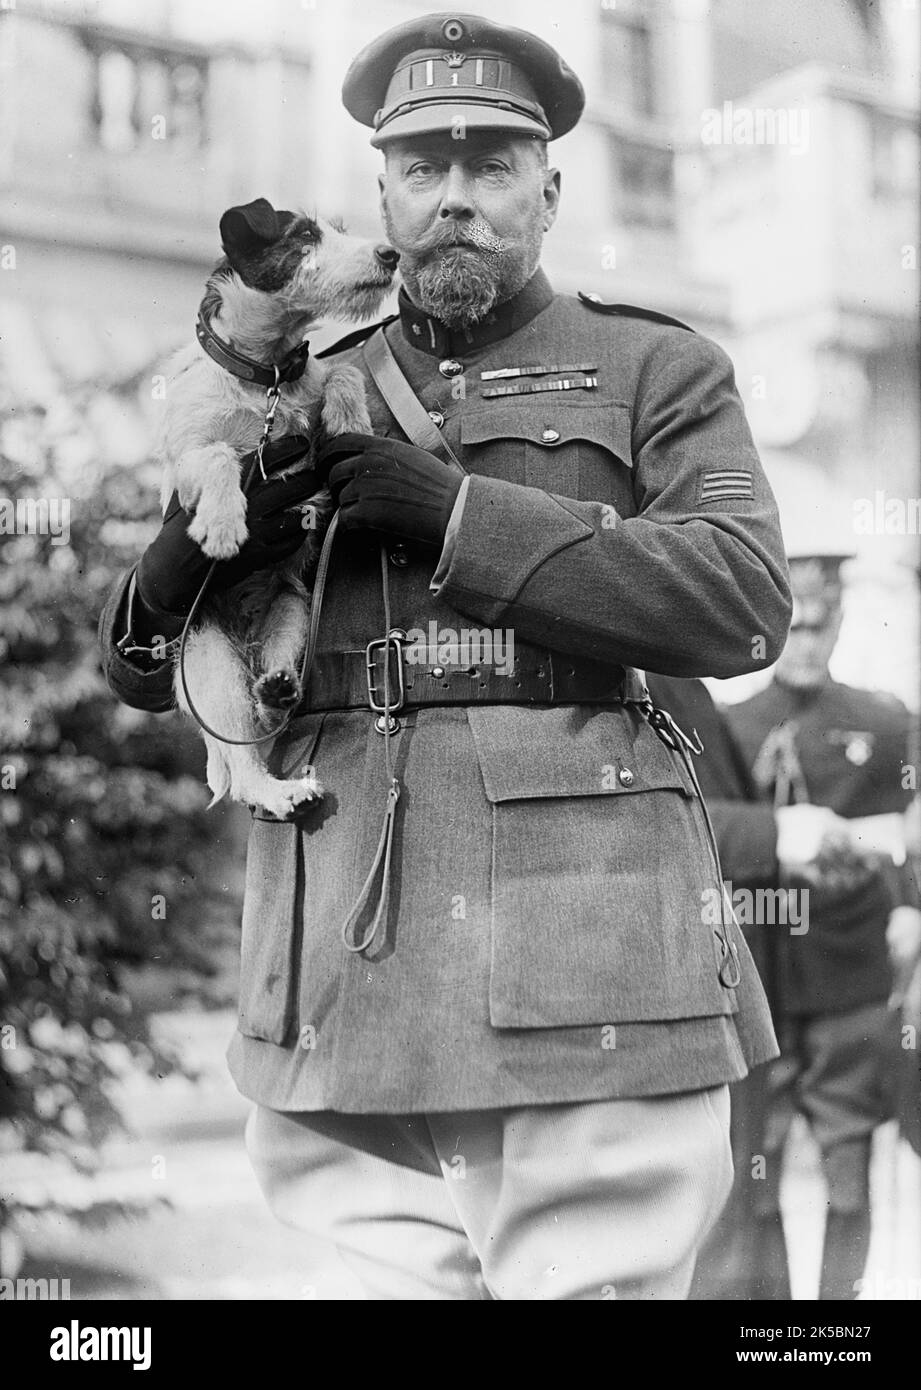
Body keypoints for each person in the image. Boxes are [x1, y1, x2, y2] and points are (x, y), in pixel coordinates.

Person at [98, 13, 792, 1300]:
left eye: (490, 164)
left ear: (548, 187)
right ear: (382, 194)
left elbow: (744, 601)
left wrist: (458, 515)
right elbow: (147, 669)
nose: (455, 199)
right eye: (423, 168)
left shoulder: (658, 365)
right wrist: (173, 570)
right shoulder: (288, 382)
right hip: (342, 963)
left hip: (591, 969)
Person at [728, 551, 921, 1300]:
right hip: (766, 985)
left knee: (847, 1179)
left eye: (819, 624)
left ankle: (837, 1324)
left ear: (839, 622)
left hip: (851, 983)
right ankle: (770, 1329)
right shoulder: (734, 724)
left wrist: (911, 907)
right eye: (791, 626)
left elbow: (909, 830)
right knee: (759, 1181)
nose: (805, 641)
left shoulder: (884, 720)